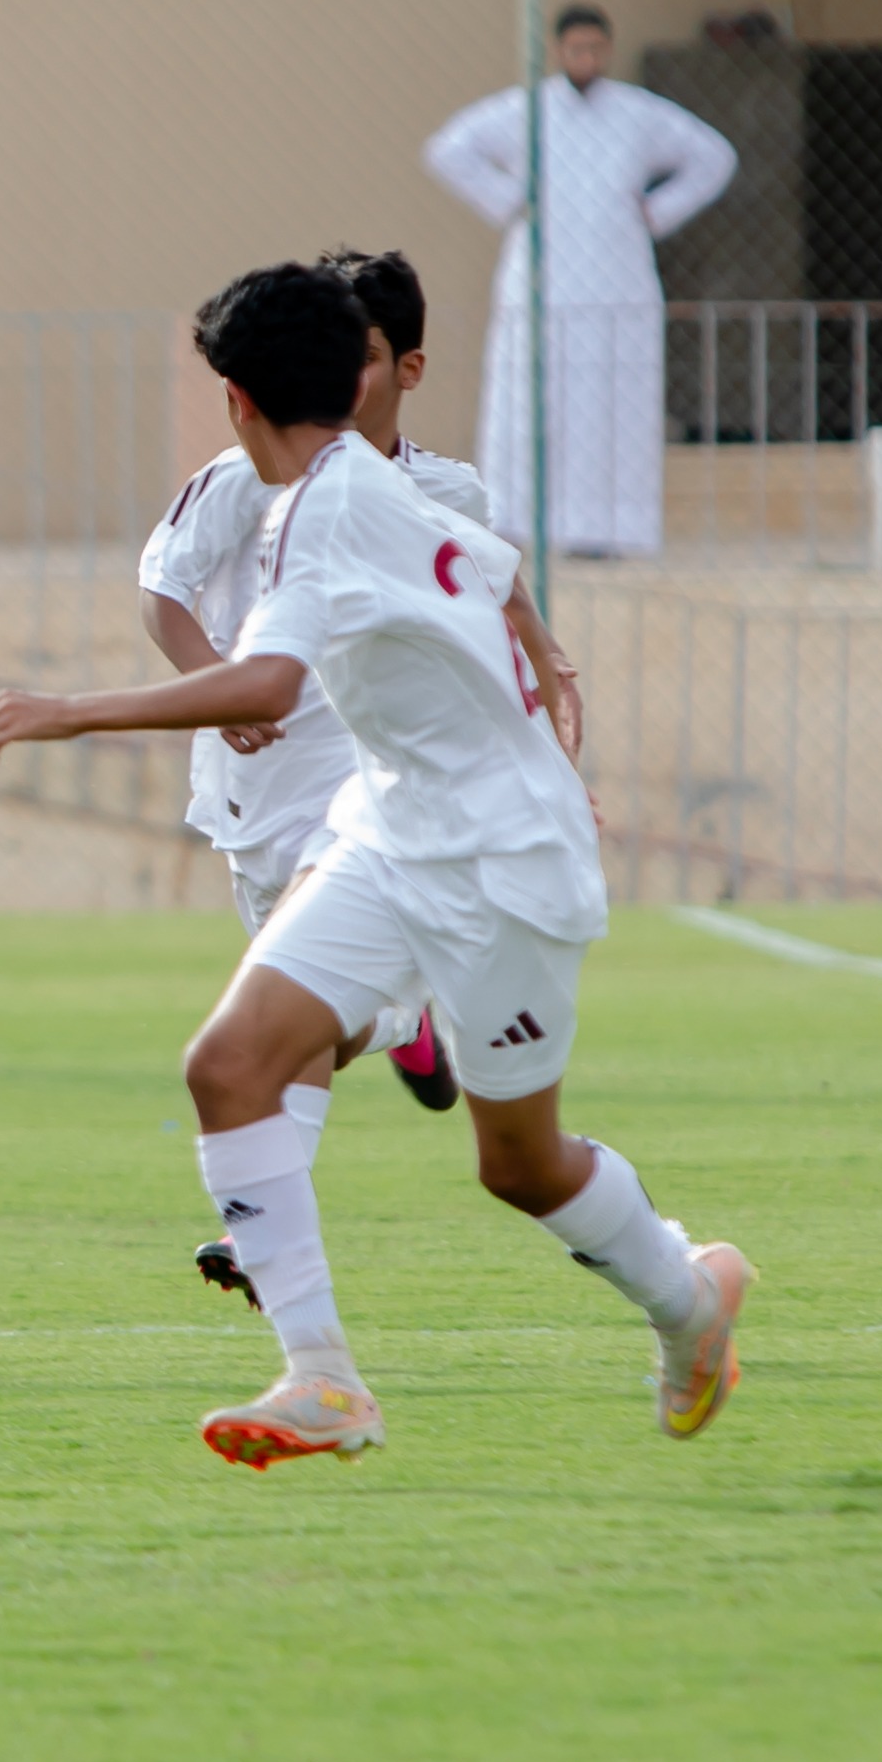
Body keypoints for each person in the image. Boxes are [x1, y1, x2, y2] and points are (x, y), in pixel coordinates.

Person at [0, 262, 750, 1465]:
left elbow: (270, 681)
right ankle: (322, 1380)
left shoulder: (318, 511)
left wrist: (65, 710)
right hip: (390, 830)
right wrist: (534, 654)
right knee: (229, 1064)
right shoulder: (377, 491)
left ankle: (690, 1301)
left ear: (233, 397)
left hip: (500, 863)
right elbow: (483, 571)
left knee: (518, 1165)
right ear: (357, 372)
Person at [141, 247, 589, 1309]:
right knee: (296, 1025)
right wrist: (213, 684)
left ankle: (269, 1261)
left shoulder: (434, 491)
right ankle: (405, 1026)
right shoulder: (235, 487)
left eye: (378, 353)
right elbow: (163, 595)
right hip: (257, 786)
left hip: (372, 788)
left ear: (400, 367)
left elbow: (493, 589)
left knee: (269, 1034)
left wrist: (544, 667)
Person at [423, 3, 736, 558]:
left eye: (596, 48)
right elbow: (449, 148)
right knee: (527, 397)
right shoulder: (527, 110)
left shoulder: (638, 113)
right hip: (543, 273)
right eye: (577, 49)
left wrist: (658, 212)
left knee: (616, 399)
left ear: (607, 50)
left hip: (618, 274)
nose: (586, 58)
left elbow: (714, 157)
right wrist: (511, 203)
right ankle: (515, 522)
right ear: (560, 50)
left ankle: (610, 531)